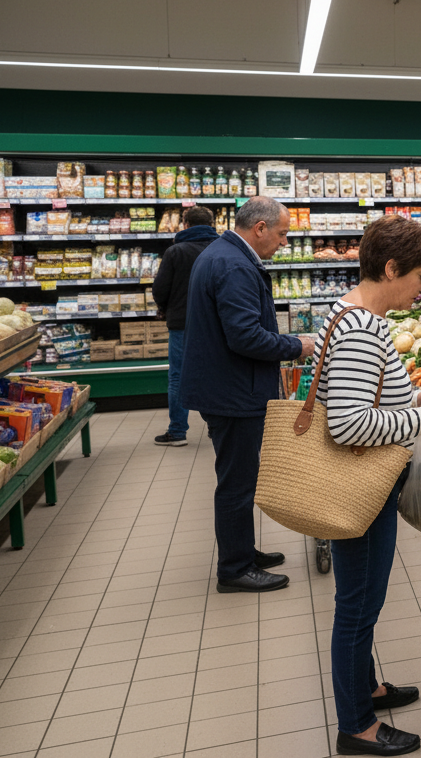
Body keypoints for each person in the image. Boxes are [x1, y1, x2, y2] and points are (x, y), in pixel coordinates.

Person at [315, 215, 421, 757]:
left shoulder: (355, 315)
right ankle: (356, 726)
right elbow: (349, 423)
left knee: (365, 599)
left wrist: (413, 398)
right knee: (357, 605)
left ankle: (366, 685)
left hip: (371, 479)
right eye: (420, 277)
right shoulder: (360, 328)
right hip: (360, 483)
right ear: (391, 267)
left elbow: (369, 395)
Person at [181, 197, 314, 594]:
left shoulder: (224, 254)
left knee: (241, 477)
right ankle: (235, 568)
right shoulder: (234, 265)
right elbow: (245, 337)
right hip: (232, 392)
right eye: (282, 233)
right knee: (236, 483)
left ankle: (243, 551)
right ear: (259, 228)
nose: (285, 242)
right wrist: (297, 345)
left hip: (228, 386)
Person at [152, 205, 218, 448]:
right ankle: (216, 427)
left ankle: (178, 431)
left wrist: (168, 307)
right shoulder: (221, 249)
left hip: (182, 323)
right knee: (215, 375)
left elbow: (160, 290)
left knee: (179, 377)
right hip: (215, 324)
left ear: (185, 225)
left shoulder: (175, 251)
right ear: (212, 224)